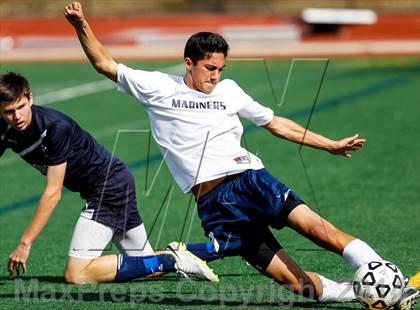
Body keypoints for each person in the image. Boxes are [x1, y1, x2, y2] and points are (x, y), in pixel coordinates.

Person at [64, 2, 418, 308]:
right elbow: (104, 63)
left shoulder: (231, 90)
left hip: (250, 179)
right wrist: (83, 25)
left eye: (220, 69)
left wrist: (329, 144)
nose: (216, 76)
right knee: (298, 285)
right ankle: (362, 293)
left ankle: (388, 278)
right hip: (215, 204)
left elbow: (276, 123)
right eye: (209, 68)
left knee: (318, 230)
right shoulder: (158, 87)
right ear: (189, 63)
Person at [0, 72, 219, 284]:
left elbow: (53, 193)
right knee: (148, 265)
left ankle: (173, 259)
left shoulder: (54, 128)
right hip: (115, 183)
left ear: (30, 98)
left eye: (21, 106)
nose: (17, 116)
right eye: (9, 111)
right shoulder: (4, 129)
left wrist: (25, 243)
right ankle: (215, 248)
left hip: (108, 187)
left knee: (77, 274)